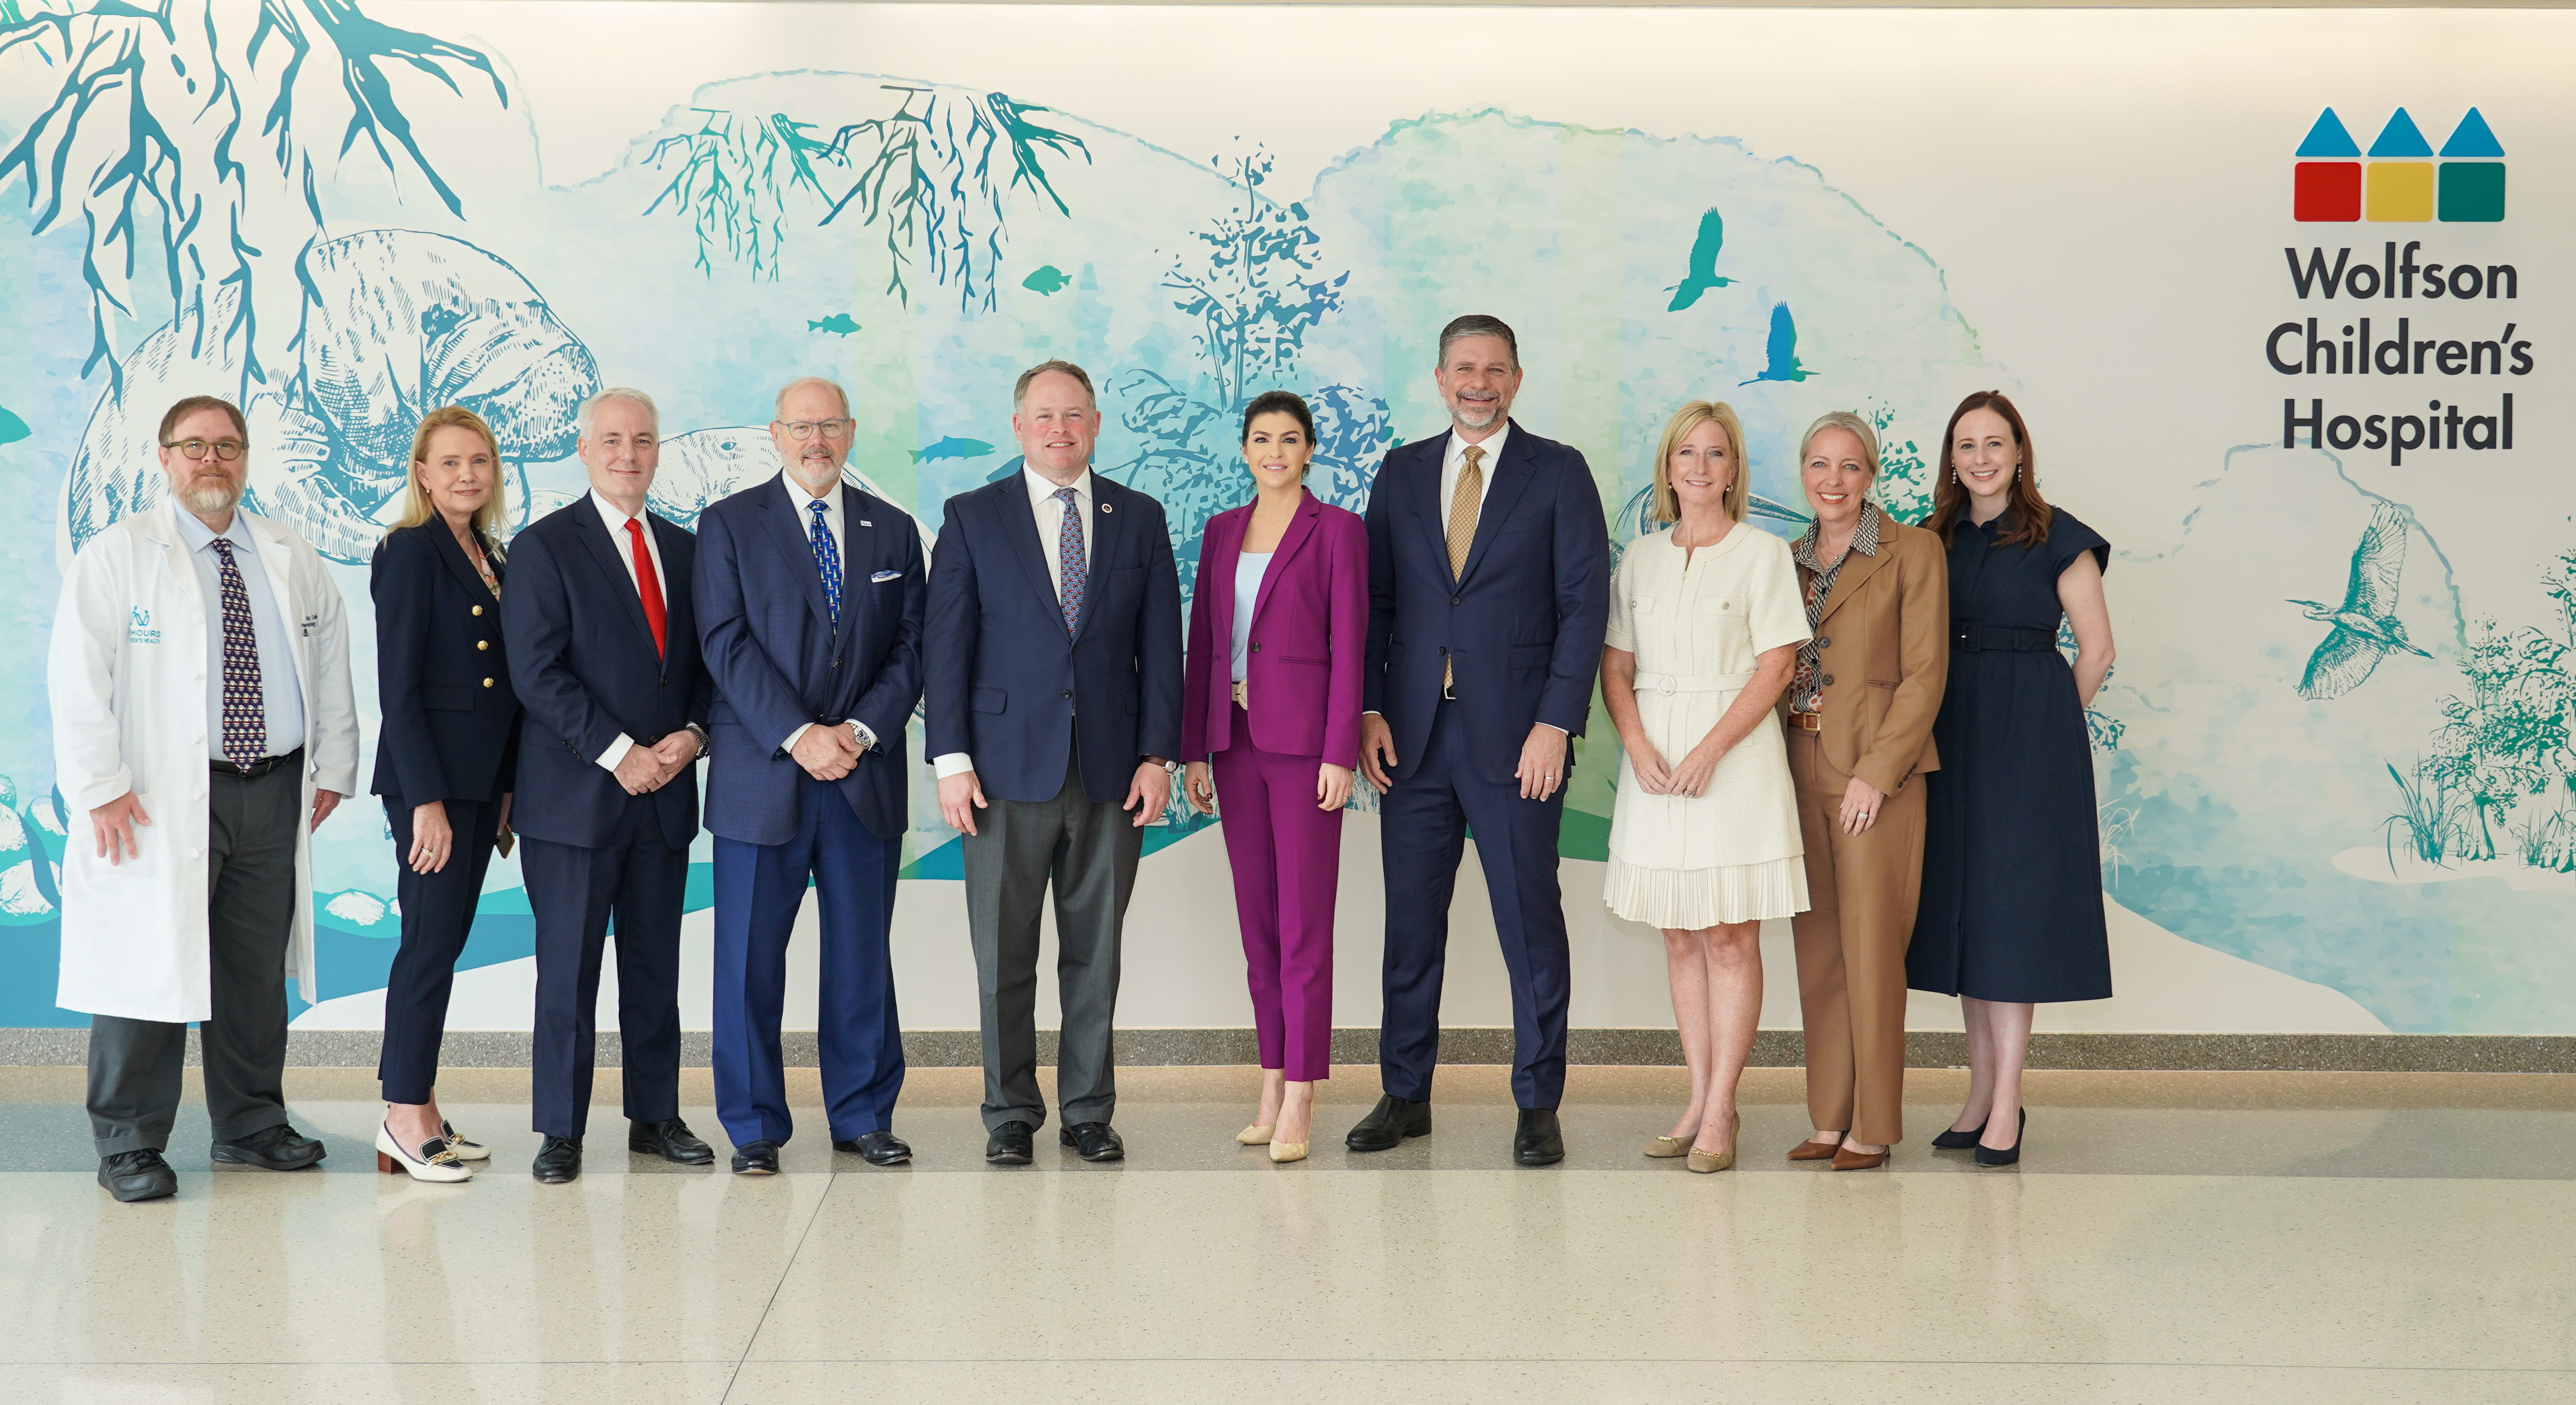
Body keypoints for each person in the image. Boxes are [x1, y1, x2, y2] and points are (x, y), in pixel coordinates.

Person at [49, 394, 361, 1203]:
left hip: (273, 786)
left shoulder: (287, 553)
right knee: (146, 967)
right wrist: (102, 789)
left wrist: (334, 763)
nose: (211, 461)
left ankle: (252, 1125)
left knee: (253, 973)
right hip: (154, 798)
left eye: (227, 446)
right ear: (164, 458)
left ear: (248, 457)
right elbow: (78, 685)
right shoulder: (118, 557)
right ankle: (128, 1143)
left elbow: (329, 660)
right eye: (194, 447)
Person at [1350, 314, 1610, 1168]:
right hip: (1413, 738)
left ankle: (1538, 1101)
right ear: (1438, 377)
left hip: (1516, 743)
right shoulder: (1399, 471)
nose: (1479, 382)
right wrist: (1368, 709)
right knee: (1410, 926)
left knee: (1529, 924)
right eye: (1464, 368)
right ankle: (1404, 1093)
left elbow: (1583, 609)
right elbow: (1376, 603)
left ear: (1517, 379)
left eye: (1494, 369)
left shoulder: (1559, 474)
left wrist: (1554, 724)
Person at [927, 360, 1183, 1166]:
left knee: (1094, 951)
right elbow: (947, 647)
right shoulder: (972, 516)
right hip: (1001, 773)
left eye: (1074, 415)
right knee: (1003, 955)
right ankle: (1008, 1113)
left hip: (1111, 772)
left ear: (1096, 424)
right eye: (1043, 416)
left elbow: (1160, 650)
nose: (1059, 429)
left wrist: (1158, 755)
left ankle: (1086, 1110)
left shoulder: (1138, 517)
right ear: (1018, 427)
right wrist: (950, 760)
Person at [696, 376, 926, 1171]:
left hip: (861, 778)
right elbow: (723, 644)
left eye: (829, 425)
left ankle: (862, 1114)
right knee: (749, 964)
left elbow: (912, 648)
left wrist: (857, 732)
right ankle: (755, 1126)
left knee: (861, 958)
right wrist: (799, 736)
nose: (815, 439)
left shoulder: (892, 531)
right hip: (764, 779)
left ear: (851, 432)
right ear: (775, 434)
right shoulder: (727, 526)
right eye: (801, 426)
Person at [503, 388, 715, 1182]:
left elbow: (707, 667)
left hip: (664, 796)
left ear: (658, 452)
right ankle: (560, 1130)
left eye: (644, 440)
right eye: (613, 440)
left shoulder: (687, 550)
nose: (629, 454)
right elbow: (536, 672)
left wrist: (694, 737)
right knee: (568, 976)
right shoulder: (544, 547)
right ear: (585, 450)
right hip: (576, 801)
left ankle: (654, 1117)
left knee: (655, 974)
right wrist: (618, 751)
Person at [1599, 401, 1808, 1174]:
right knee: (1680, 934)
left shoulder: (1761, 555)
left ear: (1733, 469)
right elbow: (1615, 665)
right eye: (1685, 452)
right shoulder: (1640, 558)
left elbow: (1777, 665)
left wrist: (1710, 749)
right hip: (1653, 762)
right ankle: (1693, 1098)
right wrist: (1637, 744)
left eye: (1714, 454)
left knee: (1728, 935)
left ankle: (1723, 1107)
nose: (1698, 467)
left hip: (1735, 760)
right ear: (1667, 466)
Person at [1908, 391, 2115, 1168]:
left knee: (2014, 914)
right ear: (1950, 458)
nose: (1981, 458)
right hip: (1950, 732)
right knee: (1965, 912)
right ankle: (1977, 1091)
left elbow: (2095, 650)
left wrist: (2049, 729)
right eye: (1966, 445)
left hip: (2028, 739)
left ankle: (2007, 1103)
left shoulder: (2060, 537)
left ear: (2019, 451)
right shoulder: (1933, 537)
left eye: (1994, 443)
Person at [1180, 392, 1368, 1165]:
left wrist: (1339, 753)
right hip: (1234, 747)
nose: (1275, 452)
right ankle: (1268, 1079)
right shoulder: (1222, 530)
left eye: (1290, 440)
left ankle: (1301, 1092)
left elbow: (1351, 645)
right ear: (1245, 449)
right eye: (1262, 439)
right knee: (1257, 929)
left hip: (1303, 751)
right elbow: (1203, 643)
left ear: (1310, 449)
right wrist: (1194, 747)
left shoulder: (1340, 532)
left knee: (1303, 931)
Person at [1780, 411, 1947, 1171]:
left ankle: (1872, 1125)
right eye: (1819, 464)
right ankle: (1827, 1117)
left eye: (1849, 466)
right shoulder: (1783, 559)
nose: (1832, 480)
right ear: (1803, 473)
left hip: (1875, 776)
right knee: (1817, 951)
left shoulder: (1913, 550)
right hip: (1793, 764)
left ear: (1870, 474)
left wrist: (1875, 774)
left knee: (1872, 949)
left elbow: (1924, 676)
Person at [369, 406, 521, 1182]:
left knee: (446, 944)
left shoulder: (490, 552)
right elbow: (400, 689)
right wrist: (425, 800)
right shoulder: (407, 552)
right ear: (423, 474)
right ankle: (401, 1114)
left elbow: (503, 691)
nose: (468, 475)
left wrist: (503, 789)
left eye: (481, 462)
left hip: (475, 784)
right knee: (427, 946)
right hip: (428, 788)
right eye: (451, 462)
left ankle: (423, 1106)